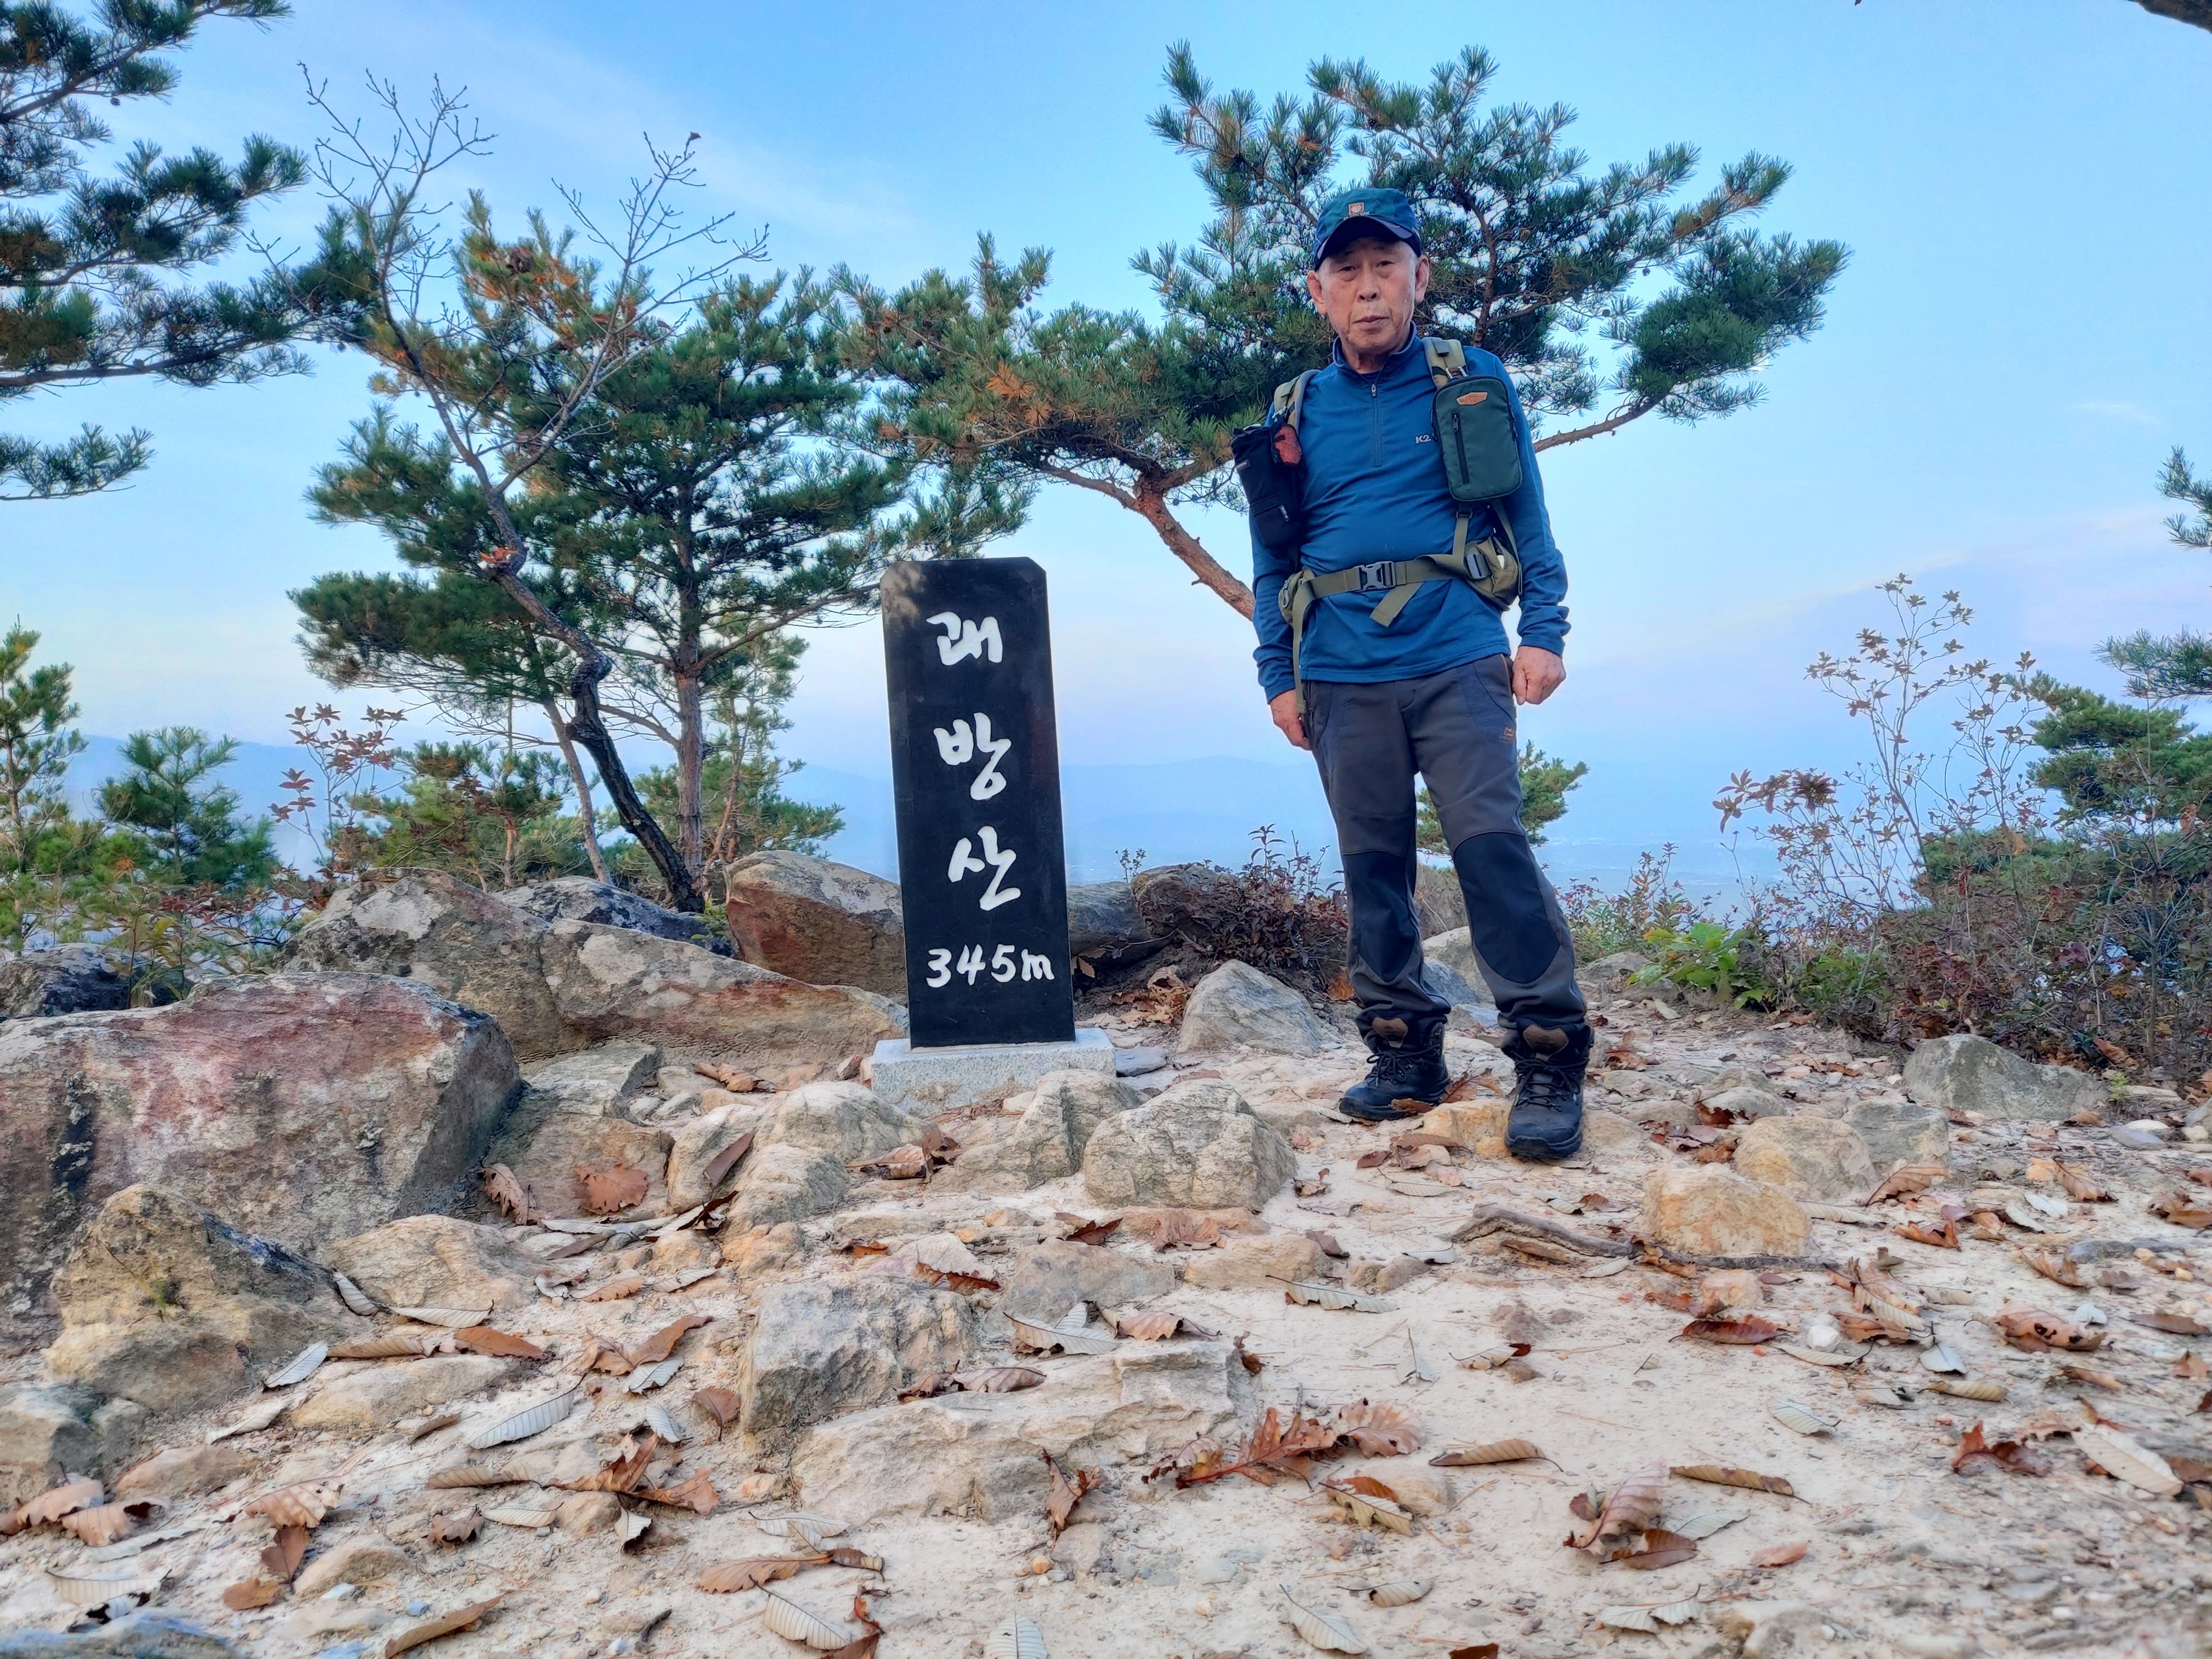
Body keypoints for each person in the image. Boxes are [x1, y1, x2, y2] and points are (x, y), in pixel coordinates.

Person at [1247, 185, 1590, 1160]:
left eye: (1386, 267)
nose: (1368, 289)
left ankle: (1548, 1056)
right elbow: (1273, 558)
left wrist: (1545, 629)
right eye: (1347, 271)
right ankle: (1403, 1053)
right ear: (1317, 289)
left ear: (1419, 277)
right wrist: (1277, 673)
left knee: (1491, 850)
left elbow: (1528, 514)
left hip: (1457, 653)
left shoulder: (1469, 379)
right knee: (1374, 867)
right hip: (1337, 668)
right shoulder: (1292, 409)